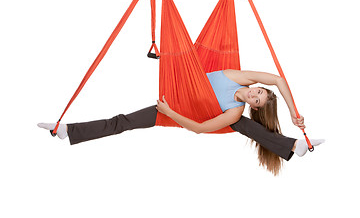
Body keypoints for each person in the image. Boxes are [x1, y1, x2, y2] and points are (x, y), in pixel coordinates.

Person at [38, 69, 324, 175]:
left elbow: (199, 128)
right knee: (121, 121)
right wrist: (292, 112)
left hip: (178, 111)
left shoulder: (235, 114)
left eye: (258, 100)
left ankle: (293, 146)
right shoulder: (241, 77)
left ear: (254, 106)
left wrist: (168, 112)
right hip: (182, 87)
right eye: (259, 90)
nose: (255, 93)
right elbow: (277, 79)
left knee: (124, 122)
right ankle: (68, 131)